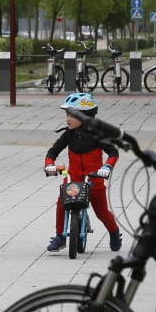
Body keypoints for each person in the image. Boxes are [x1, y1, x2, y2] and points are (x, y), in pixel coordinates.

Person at [43, 92, 122, 253]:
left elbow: (113, 153)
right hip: (73, 179)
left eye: (72, 115)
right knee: (61, 203)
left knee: (102, 213)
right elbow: (53, 152)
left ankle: (114, 232)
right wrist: (49, 165)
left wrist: (106, 167)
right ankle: (60, 236)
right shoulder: (69, 133)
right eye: (67, 114)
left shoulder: (98, 134)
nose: (67, 119)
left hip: (94, 180)